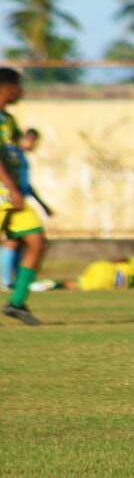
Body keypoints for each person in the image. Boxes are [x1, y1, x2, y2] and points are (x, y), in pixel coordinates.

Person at [0, 68, 48, 325]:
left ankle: (17, 303)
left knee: (37, 241)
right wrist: (11, 188)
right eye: (18, 86)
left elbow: (12, 151)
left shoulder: (7, 120)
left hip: (11, 194)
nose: (22, 92)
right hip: (4, 193)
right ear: (6, 87)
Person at [2, 128, 55, 289]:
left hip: (18, 199)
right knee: (13, 241)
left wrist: (42, 204)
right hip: (8, 199)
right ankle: (6, 282)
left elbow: (26, 185)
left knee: (24, 240)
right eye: (34, 141)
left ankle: (16, 284)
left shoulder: (19, 157)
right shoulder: (11, 155)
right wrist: (12, 191)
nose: (35, 145)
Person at [32, 256, 134, 292]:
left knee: (74, 282)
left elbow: (121, 259)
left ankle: (44, 285)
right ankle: (50, 285)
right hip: (106, 283)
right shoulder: (133, 283)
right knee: (72, 285)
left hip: (103, 268)